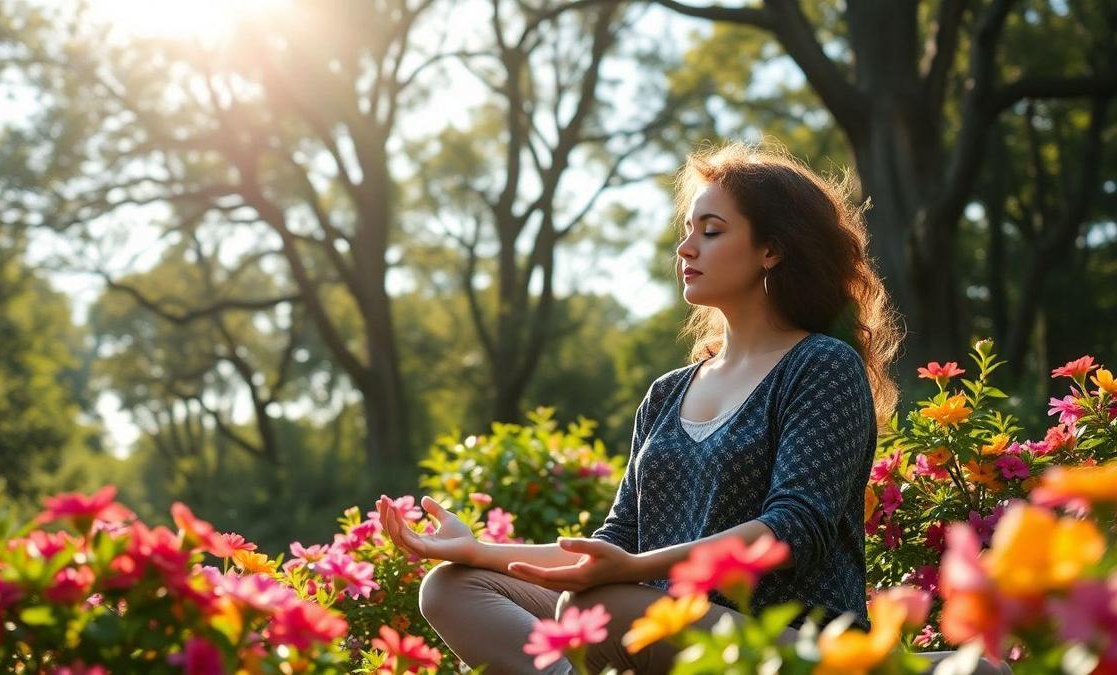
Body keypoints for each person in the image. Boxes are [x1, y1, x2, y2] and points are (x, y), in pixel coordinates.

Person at [376, 142, 1009, 674]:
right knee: (453, 589)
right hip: (656, 621)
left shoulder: (820, 366)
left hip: (782, 637)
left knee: (612, 610)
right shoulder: (667, 393)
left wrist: (639, 571)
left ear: (772, 250)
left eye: (712, 231)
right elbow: (611, 546)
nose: (687, 248)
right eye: (687, 231)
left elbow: (796, 529)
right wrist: (475, 551)